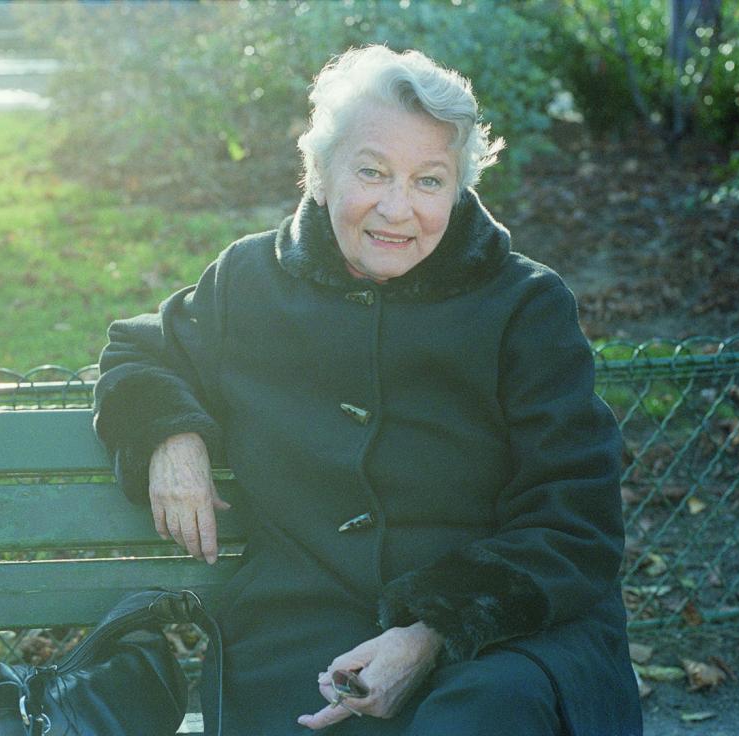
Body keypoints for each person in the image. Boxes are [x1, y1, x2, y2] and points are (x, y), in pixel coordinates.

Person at [93, 45, 642, 736]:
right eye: (372, 172)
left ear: (459, 190)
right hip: (303, 627)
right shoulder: (250, 283)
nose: (397, 208)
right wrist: (170, 436)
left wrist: (431, 632)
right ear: (319, 174)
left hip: (508, 642)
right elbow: (139, 350)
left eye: (429, 181)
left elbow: (576, 521)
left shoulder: (526, 307)